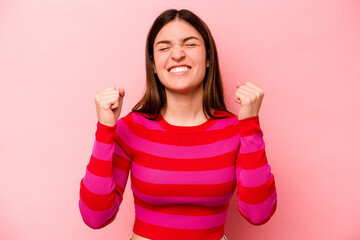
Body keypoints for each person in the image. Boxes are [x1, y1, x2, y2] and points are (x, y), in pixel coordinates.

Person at [79, 9, 277, 240]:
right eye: (164, 47)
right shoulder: (131, 128)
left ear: (209, 58)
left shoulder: (236, 130)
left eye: (190, 44)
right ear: (153, 65)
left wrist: (250, 125)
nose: (177, 54)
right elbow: (95, 217)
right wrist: (105, 129)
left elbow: (258, 213)